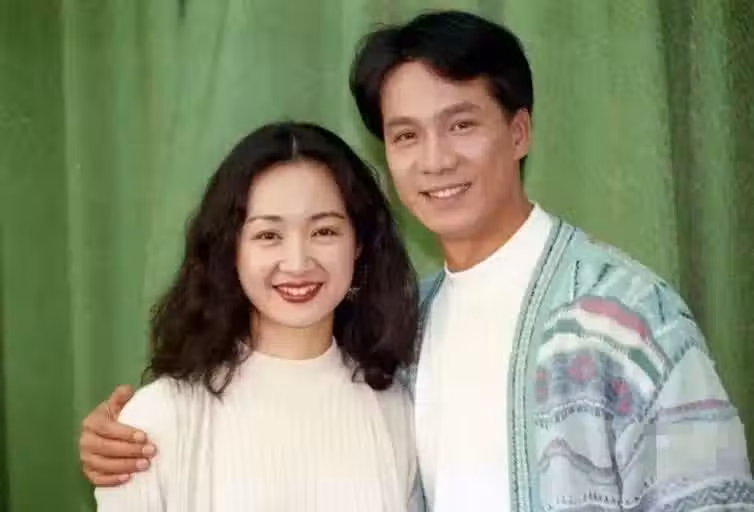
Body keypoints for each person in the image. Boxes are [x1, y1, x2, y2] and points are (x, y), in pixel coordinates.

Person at [80, 10, 754, 512]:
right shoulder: (406, 335)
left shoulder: (625, 314)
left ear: (519, 131)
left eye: (461, 124)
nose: (435, 160)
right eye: (406, 135)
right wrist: (130, 433)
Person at [90, 121, 422, 511]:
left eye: (324, 231)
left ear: (359, 244)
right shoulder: (156, 419)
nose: (297, 263)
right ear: (231, 249)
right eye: (268, 235)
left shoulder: (395, 409)